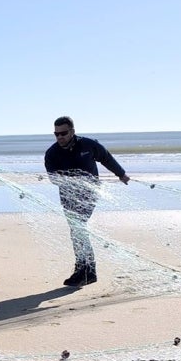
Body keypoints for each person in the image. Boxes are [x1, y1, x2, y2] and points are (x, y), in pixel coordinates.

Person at [43, 116, 129, 287]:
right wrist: (72, 181)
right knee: (76, 231)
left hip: (89, 193)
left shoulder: (88, 145)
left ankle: (87, 270)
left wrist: (120, 173)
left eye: (63, 133)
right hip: (68, 197)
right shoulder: (52, 153)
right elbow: (53, 178)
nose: (60, 137)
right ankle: (85, 270)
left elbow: (106, 158)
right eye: (56, 134)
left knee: (78, 228)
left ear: (72, 131)